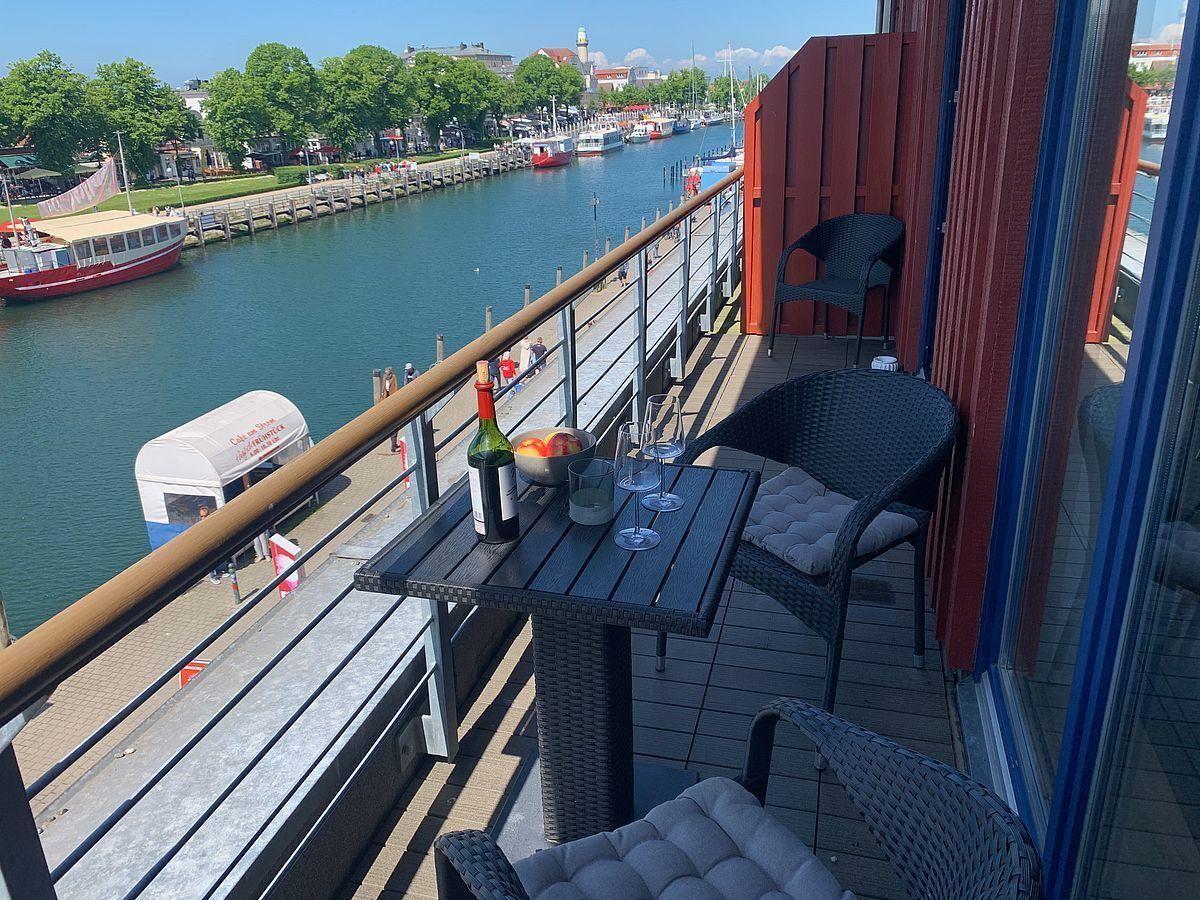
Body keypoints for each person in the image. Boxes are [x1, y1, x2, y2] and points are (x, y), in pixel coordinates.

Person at [381, 367, 400, 451]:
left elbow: (395, 385)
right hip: (386, 392)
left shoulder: (394, 377)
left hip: (392, 392)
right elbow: (383, 385)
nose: (387, 374)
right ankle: (394, 446)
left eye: (388, 372)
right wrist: (382, 392)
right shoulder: (384, 377)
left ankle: (393, 446)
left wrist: (396, 393)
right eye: (386, 373)